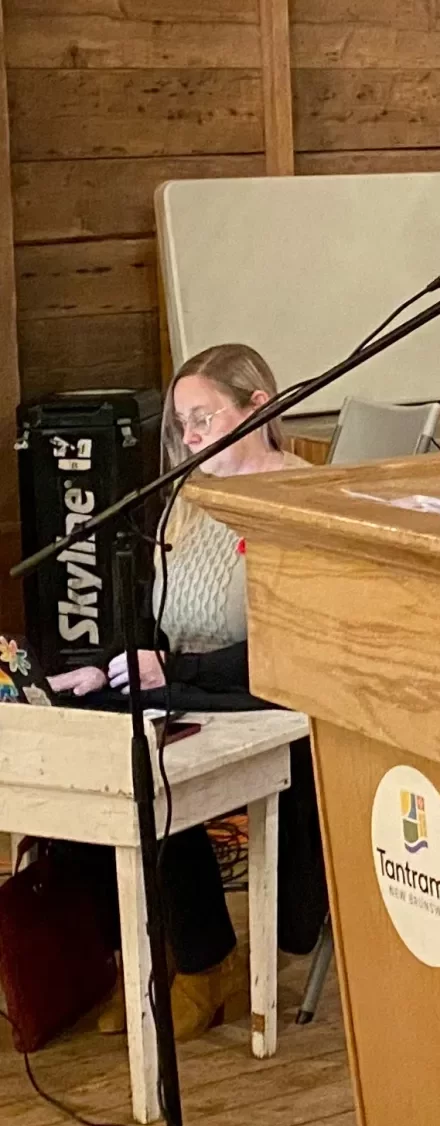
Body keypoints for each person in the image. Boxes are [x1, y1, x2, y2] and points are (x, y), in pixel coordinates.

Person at [48, 343, 328, 1040]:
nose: (192, 437)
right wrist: (109, 667)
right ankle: (148, 951)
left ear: (258, 408)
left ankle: (207, 965)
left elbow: (292, 647)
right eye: (182, 424)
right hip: (188, 682)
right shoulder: (187, 498)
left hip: (267, 689)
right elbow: (158, 621)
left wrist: (172, 673)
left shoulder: (299, 499)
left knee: (148, 767)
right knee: (79, 733)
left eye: (205, 418)